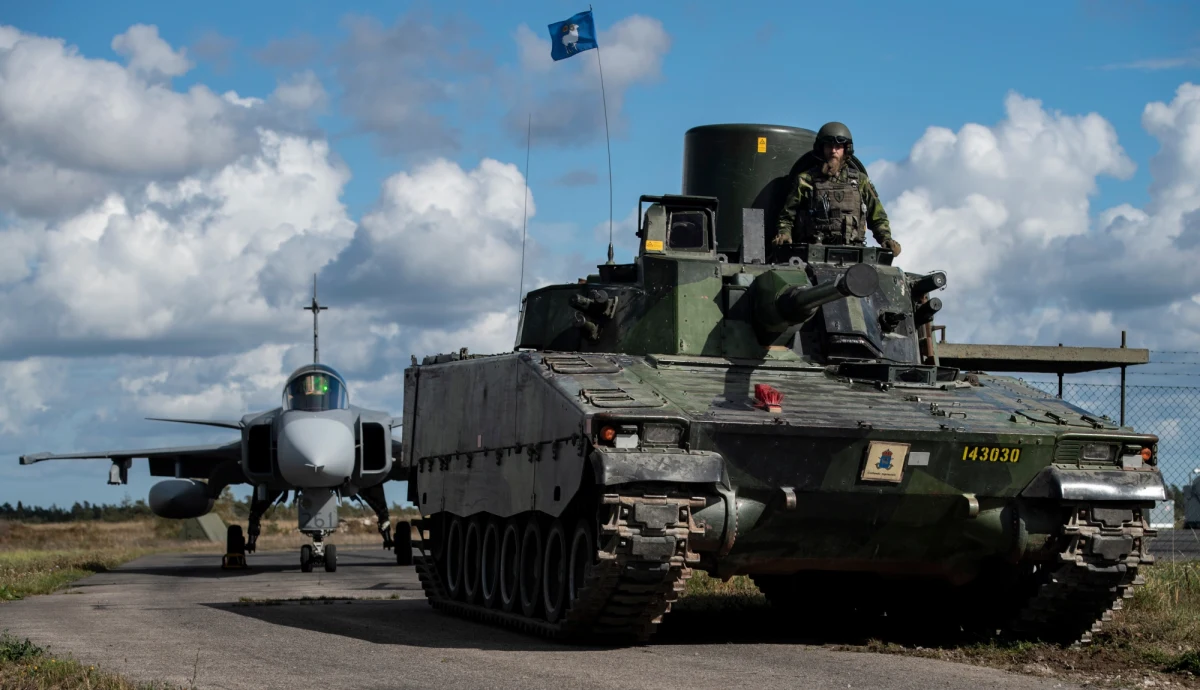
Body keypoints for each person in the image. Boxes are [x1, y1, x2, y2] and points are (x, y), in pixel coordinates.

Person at [775, 122, 901, 255]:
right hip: (813, 253)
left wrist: (886, 239)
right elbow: (787, 215)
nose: (833, 150)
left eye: (838, 146)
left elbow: (877, 216)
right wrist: (784, 234)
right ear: (821, 148)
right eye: (829, 145)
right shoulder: (806, 180)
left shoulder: (860, 181)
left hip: (853, 253)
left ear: (846, 149)